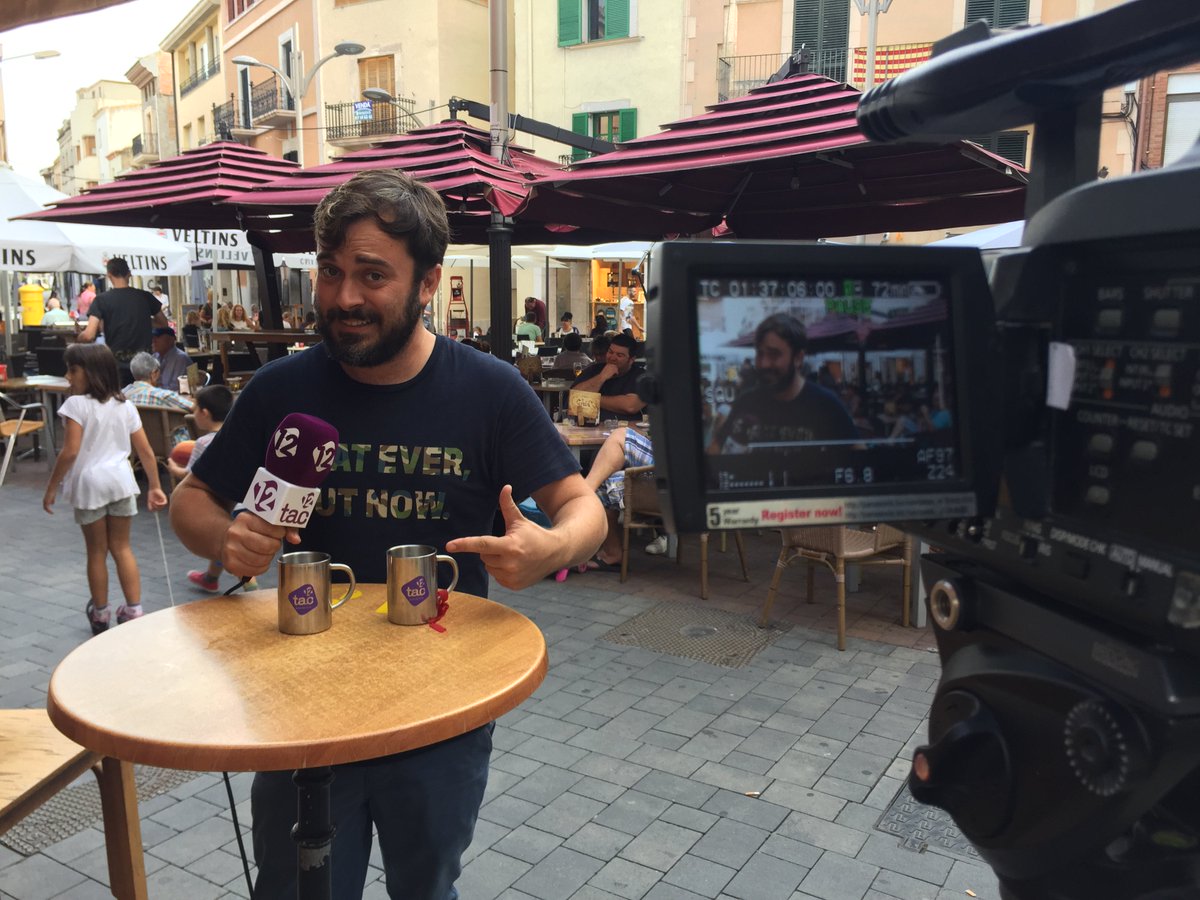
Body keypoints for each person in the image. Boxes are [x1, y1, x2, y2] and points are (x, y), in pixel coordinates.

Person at [169, 167, 605, 900]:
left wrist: (551, 546)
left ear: (428, 283)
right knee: (295, 890)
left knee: (427, 886)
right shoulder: (280, 389)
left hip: (441, 708)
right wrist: (225, 539)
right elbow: (193, 499)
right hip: (297, 704)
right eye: (331, 272)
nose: (343, 298)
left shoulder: (489, 390)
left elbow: (583, 509)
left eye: (372, 275)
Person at [42, 343, 169, 635]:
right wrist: (155, 487)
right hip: (122, 483)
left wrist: (52, 486)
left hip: (89, 487)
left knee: (96, 552)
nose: (68, 376)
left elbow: (70, 451)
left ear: (90, 372)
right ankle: (134, 609)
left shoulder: (75, 405)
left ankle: (100, 613)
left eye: (73, 370)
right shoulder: (124, 405)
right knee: (123, 548)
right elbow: (146, 451)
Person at [708, 312, 857, 453]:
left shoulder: (827, 405)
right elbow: (717, 447)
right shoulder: (746, 401)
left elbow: (859, 455)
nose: (763, 364)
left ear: (798, 358)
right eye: (759, 354)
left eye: (774, 355)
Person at [165, 385, 257, 594]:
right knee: (226, 543)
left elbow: (191, 475)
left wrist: (173, 468)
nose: (193, 413)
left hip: (222, 504)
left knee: (234, 548)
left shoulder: (203, 443)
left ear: (204, 413)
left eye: (195, 408)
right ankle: (210, 578)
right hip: (245, 502)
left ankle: (252, 586)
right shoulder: (240, 439)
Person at [77, 258, 169, 386]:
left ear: (109, 275)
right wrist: (143, 320)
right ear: (129, 274)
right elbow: (163, 323)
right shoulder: (145, 296)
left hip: (117, 368)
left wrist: (77, 337)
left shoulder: (101, 300)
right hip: (145, 367)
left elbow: (89, 335)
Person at [581, 425, 658, 570]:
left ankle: (580, 498)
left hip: (677, 483)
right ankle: (584, 494)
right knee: (602, 476)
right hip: (679, 476)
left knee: (621, 436)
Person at [570, 332, 646, 421]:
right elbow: (573, 400)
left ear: (631, 360)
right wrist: (602, 377)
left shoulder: (642, 377)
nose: (612, 358)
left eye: (619, 355)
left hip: (627, 431)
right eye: (610, 352)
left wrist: (589, 399)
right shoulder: (594, 370)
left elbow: (630, 406)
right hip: (589, 430)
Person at [122, 352, 194, 413]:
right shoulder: (163, 395)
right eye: (158, 371)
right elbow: (193, 407)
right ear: (153, 375)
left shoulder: (122, 395)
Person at [152, 326, 191, 392]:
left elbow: (175, 388)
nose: (154, 341)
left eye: (158, 337)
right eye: (153, 337)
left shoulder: (181, 358)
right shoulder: (155, 356)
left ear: (170, 340)